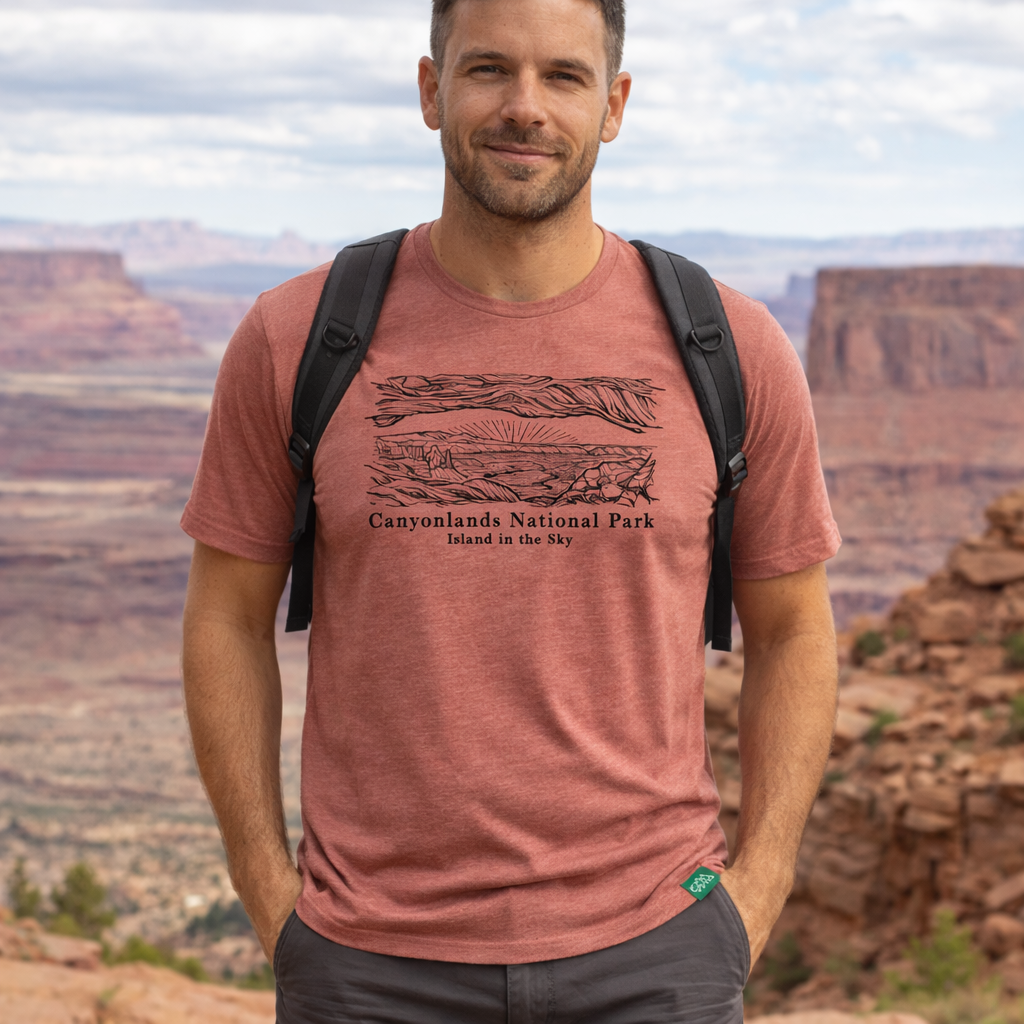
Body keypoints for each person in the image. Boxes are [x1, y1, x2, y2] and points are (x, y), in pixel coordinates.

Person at [180, 0, 841, 1020]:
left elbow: (794, 629)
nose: (523, 108)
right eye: (488, 69)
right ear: (430, 89)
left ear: (613, 105)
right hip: (367, 961)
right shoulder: (296, 335)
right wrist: (276, 903)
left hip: (653, 952)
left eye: (564, 77)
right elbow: (226, 617)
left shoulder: (729, 346)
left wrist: (754, 894)